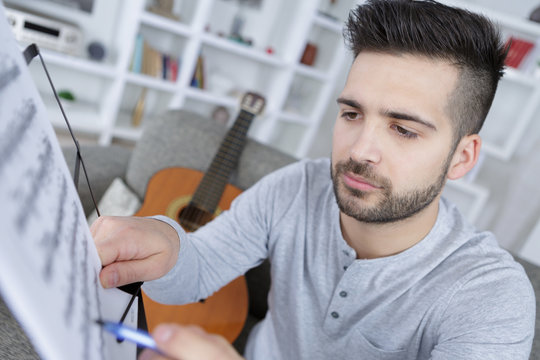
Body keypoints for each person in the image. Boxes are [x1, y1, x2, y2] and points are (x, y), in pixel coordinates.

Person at [92, 0, 536, 359]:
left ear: (462, 157)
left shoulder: (490, 297)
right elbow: (201, 264)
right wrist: (168, 246)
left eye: (403, 129)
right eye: (351, 114)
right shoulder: (298, 188)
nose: (359, 150)